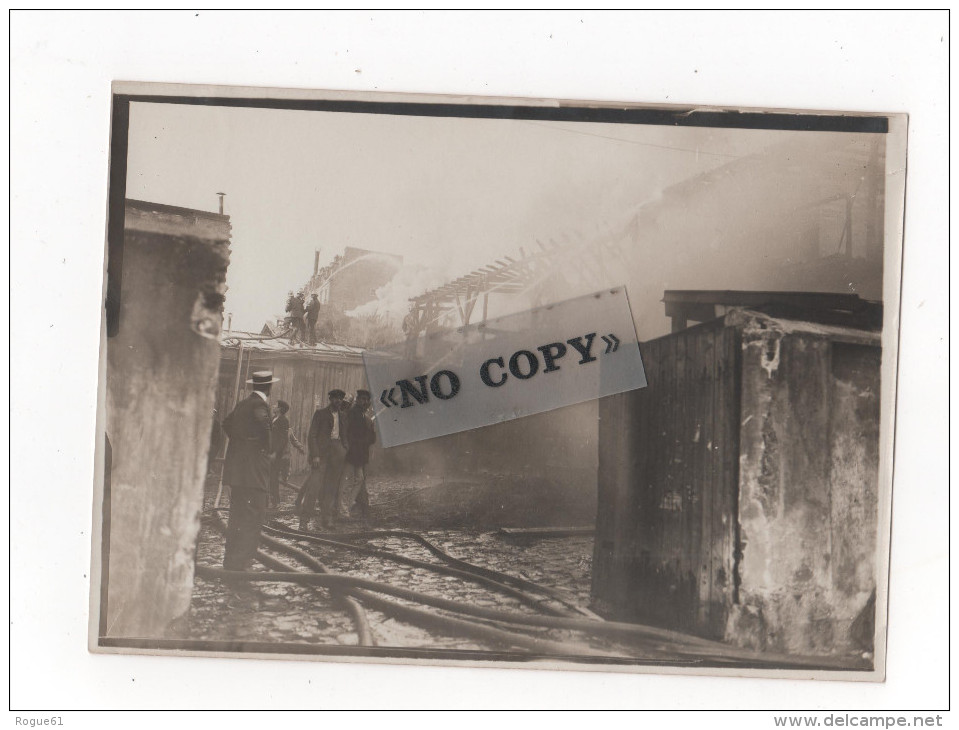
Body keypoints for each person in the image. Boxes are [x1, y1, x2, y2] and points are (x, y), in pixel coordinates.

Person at [221, 370, 278, 570]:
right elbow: (265, 429)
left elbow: (226, 423)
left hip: (238, 471)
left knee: (236, 515)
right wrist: (263, 447)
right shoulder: (260, 405)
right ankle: (244, 561)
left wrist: (241, 442)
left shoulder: (242, 404)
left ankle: (231, 560)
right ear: (269, 387)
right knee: (254, 515)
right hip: (254, 472)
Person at [296, 389, 347, 530]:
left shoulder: (343, 416)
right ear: (330, 399)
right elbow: (312, 436)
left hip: (337, 454)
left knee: (331, 488)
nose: (338, 401)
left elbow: (344, 435)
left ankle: (327, 518)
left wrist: (344, 449)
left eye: (340, 399)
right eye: (336, 398)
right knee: (314, 487)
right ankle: (304, 520)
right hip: (322, 455)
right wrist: (315, 455)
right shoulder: (320, 414)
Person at [339, 389, 376, 520]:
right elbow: (348, 433)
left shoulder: (364, 416)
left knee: (358, 480)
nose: (364, 402)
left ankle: (346, 508)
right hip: (351, 453)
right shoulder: (352, 413)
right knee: (345, 482)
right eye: (362, 399)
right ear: (357, 400)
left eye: (366, 400)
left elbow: (372, 438)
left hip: (359, 454)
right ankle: (342, 510)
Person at [269, 400, 304, 508]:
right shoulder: (274, 419)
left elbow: (283, 439)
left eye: (276, 405)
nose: (274, 406)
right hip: (269, 451)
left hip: (277, 453)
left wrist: (275, 452)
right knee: (269, 476)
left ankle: (275, 501)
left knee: (273, 476)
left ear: (280, 409)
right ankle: (270, 499)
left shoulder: (284, 421)